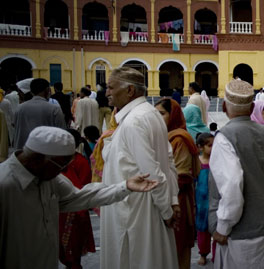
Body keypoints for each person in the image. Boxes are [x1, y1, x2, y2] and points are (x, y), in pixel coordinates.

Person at [0, 126, 160, 268]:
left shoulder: (48, 178)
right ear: (37, 159)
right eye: (61, 165)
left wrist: (125, 186)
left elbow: (79, 196)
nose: (63, 170)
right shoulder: (5, 186)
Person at [101, 67, 180, 269]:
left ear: (129, 91)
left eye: (111, 87)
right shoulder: (149, 113)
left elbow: (153, 173)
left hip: (136, 211)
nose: (106, 92)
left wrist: (167, 211)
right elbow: (169, 162)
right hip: (145, 207)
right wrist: (171, 201)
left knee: (136, 259)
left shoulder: (135, 121)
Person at [208, 79, 264, 268]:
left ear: (224, 107)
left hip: (242, 234)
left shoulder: (223, 138)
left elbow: (232, 189)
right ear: (253, 106)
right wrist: (263, 189)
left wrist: (222, 227)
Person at [155, 98, 201, 269]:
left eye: (162, 114)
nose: (157, 118)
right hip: (163, 198)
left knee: (177, 244)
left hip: (177, 200)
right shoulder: (162, 137)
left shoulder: (179, 139)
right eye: (155, 114)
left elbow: (183, 175)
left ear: (173, 115)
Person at [59, 129, 96, 268]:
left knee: (73, 254)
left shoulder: (80, 162)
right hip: (60, 213)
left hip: (75, 213)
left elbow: (84, 188)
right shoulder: (56, 161)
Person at [13, 78, 65, 150]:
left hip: (23, 153)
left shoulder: (19, 108)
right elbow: (61, 133)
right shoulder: (54, 109)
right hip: (45, 153)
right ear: (47, 90)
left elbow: (15, 128)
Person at [195, 133, 214, 266]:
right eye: (209, 145)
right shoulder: (197, 162)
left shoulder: (217, 161)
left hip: (215, 200)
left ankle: (216, 255)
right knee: (203, 229)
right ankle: (203, 253)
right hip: (201, 202)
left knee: (217, 228)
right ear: (200, 147)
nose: (213, 148)